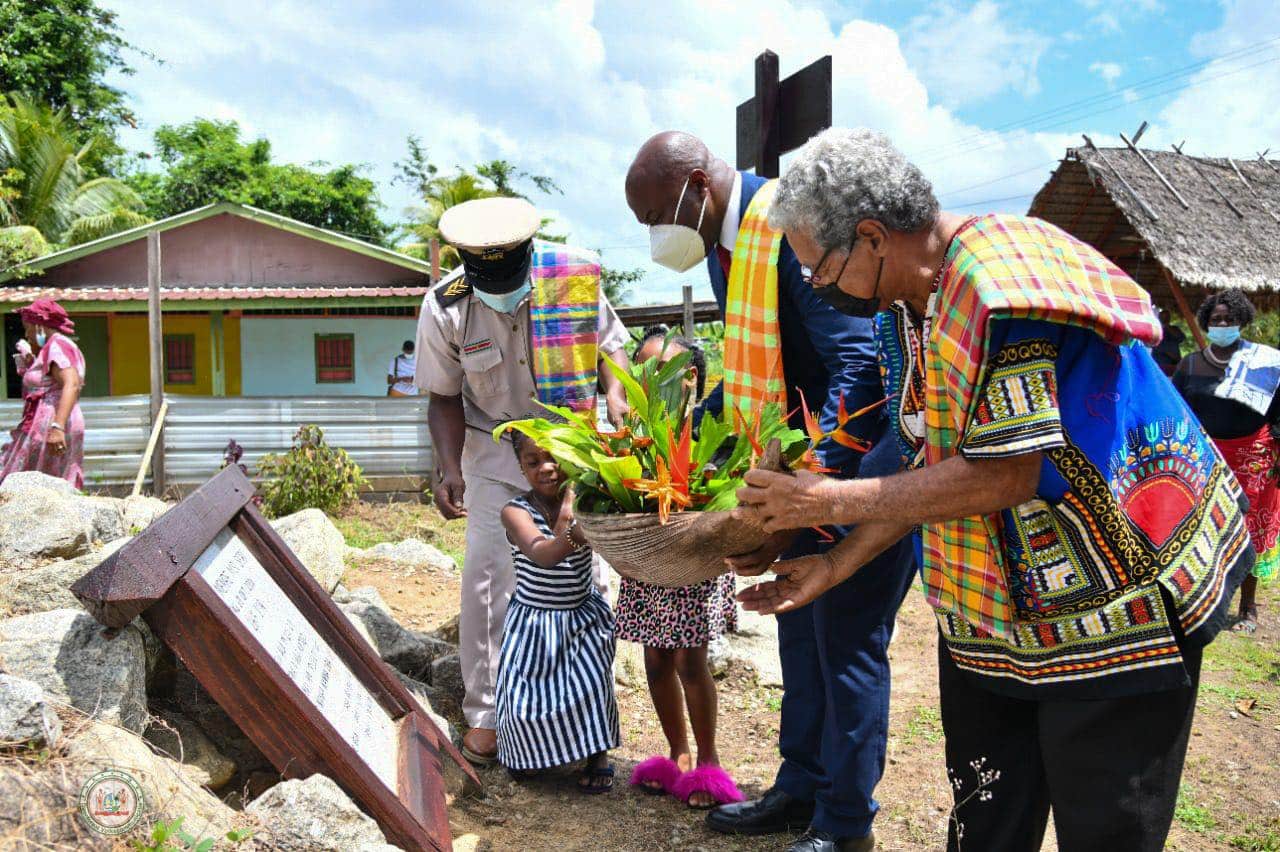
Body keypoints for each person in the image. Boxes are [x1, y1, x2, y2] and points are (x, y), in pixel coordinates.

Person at [735, 128, 1252, 852]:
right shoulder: (903, 311)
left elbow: (1006, 471)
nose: (818, 287)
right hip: (994, 613)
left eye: (819, 270)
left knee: (1104, 827)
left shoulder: (996, 282)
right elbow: (927, 464)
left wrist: (827, 504)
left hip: (1117, 602)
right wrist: (836, 563)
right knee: (986, 816)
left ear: (873, 237)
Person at [625, 131, 915, 852]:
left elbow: (857, 370)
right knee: (798, 630)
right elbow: (769, 369)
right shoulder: (734, 247)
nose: (658, 238)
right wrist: (681, 442)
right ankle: (798, 789)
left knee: (845, 641)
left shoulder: (786, 227)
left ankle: (845, 825)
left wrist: (810, 494)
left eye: (658, 216)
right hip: (798, 471)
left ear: (697, 185)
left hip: (857, 470)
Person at [415, 196, 632, 766]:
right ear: (467, 262)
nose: (501, 285)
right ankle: (487, 715)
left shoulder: (571, 279)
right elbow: (442, 395)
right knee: (490, 578)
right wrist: (449, 467)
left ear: (528, 253)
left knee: (582, 577)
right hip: (492, 449)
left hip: (572, 446)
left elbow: (609, 348)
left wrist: (615, 392)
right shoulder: (446, 305)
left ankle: (582, 715)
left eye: (510, 271)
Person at [621, 326, 744, 809]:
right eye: (642, 372)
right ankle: (678, 754)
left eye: (660, 371)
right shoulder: (633, 435)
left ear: (690, 378)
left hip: (694, 560)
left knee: (690, 662)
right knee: (655, 661)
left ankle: (709, 762)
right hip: (648, 560)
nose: (649, 382)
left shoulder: (714, 428)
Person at [496, 429, 619, 792]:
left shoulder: (591, 503)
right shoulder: (513, 511)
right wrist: (572, 524)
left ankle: (597, 754)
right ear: (521, 468)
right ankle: (530, 753)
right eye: (533, 462)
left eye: (555, 459)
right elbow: (543, 555)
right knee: (525, 695)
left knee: (591, 687)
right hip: (533, 619)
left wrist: (578, 505)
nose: (546, 468)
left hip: (582, 615)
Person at [1173, 288, 1279, 633]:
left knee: (1250, 533)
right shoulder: (1191, 364)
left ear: (1241, 321)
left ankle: (1248, 608)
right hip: (1205, 461)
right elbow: (1177, 411)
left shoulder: (1264, 362)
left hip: (1255, 461)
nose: (1222, 324)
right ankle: (1205, 602)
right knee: (1204, 531)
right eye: (1216, 319)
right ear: (1206, 323)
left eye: (1229, 319)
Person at [1, 299, 86, 489]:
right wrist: (31, 361)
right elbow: (48, 382)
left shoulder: (58, 345)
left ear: (39, 326)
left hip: (53, 424)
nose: (26, 334)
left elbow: (71, 384)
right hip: (44, 423)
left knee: (42, 484)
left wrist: (57, 427)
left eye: (28, 328)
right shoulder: (50, 348)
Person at [1151, 307, 1187, 376]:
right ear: (1159, 317)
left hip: (1173, 362)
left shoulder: (1174, 329)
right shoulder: (1156, 329)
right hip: (1160, 361)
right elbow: (1150, 343)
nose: (1165, 318)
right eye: (1163, 317)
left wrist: (1167, 326)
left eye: (1167, 317)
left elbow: (1181, 338)